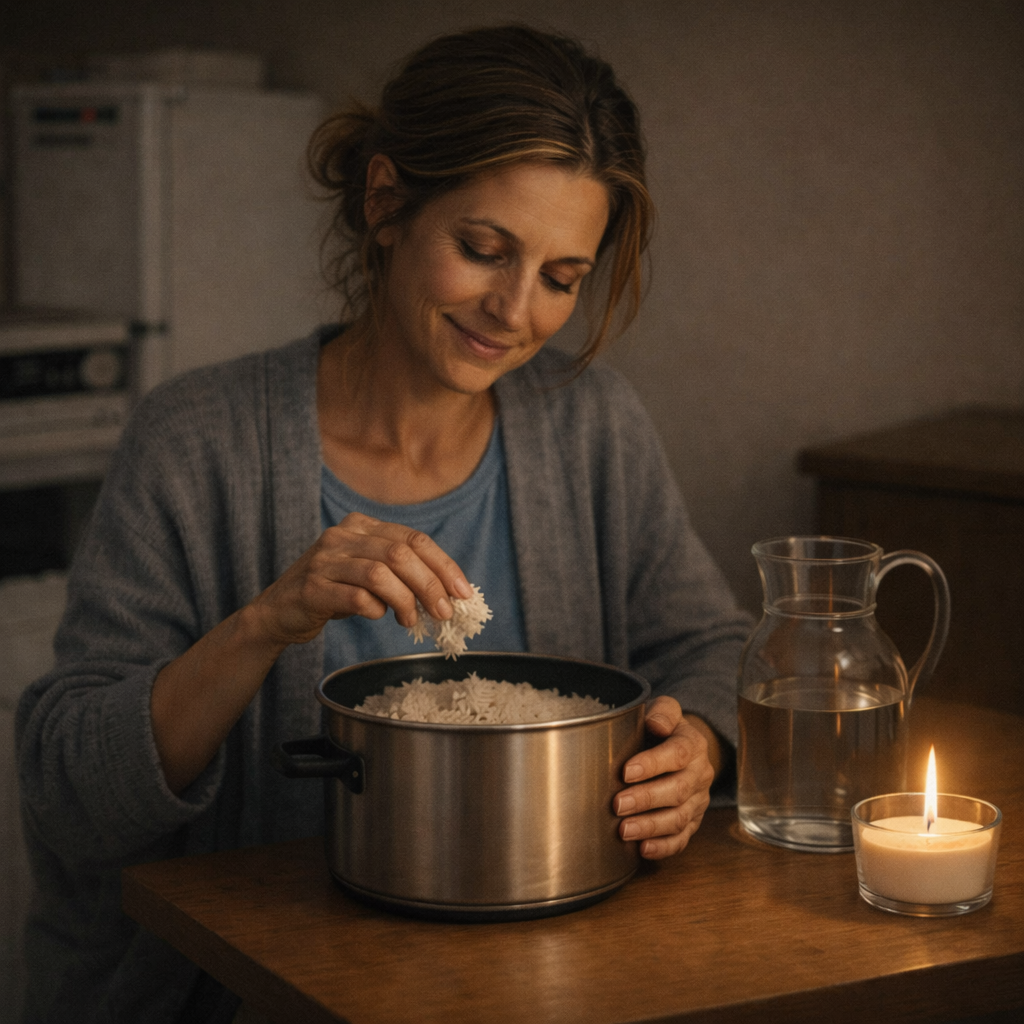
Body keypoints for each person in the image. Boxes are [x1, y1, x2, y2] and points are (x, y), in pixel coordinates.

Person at [16, 24, 752, 1024]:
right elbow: (67, 784)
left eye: (560, 277)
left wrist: (697, 742)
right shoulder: (197, 440)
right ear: (386, 202)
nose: (513, 310)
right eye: (483, 249)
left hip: (549, 977)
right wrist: (263, 623)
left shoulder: (589, 424)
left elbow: (708, 644)